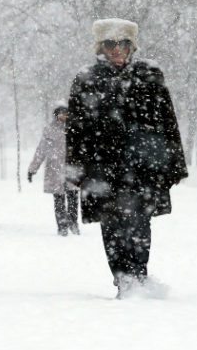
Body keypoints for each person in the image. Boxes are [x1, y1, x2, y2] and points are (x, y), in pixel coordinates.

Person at [66, 18, 187, 299]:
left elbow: (168, 121)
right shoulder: (87, 78)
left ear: (132, 46)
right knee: (112, 224)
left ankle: (139, 276)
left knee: (140, 221)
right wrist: (76, 167)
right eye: (110, 44)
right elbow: (76, 130)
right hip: (102, 168)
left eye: (123, 44)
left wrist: (173, 163)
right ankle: (123, 279)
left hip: (143, 166)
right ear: (101, 47)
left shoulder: (150, 75)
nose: (117, 50)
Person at [28, 103, 79, 236]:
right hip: (55, 170)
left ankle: (73, 224)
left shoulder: (75, 129)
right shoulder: (49, 130)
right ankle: (62, 226)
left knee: (73, 198)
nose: (64, 116)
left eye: (66, 113)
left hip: (71, 169)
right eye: (61, 113)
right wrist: (33, 169)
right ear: (56, 115)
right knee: (59, 200)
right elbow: (41, 150)